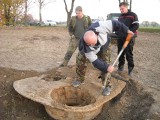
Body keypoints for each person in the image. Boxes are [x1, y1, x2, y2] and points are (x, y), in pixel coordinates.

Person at [72, 20, 134, 96]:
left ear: (96, 35)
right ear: (87, 43)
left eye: (94, 42)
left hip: (104, 46)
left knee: (106, 62)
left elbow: (115, 23)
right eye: (90, 44)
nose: (93, 44)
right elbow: (95, 62)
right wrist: (106, 67)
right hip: (91, 52)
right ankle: (80, 78)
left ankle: (107, 86)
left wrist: (127, 30)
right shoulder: (85, 48)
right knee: (80, 59)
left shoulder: (101, 27)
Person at [117, 2, 139, 76]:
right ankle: (120, 67)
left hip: (129, 38)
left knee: (129, 54)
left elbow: (136, 25)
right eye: (120, 9)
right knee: (120, 53)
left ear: (126, 7)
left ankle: (130, 69)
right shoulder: (120, 17)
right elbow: (118, 26)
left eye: (122, 8)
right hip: (120, 38)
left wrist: (130, 32)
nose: (121, 10)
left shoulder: (133, 15)